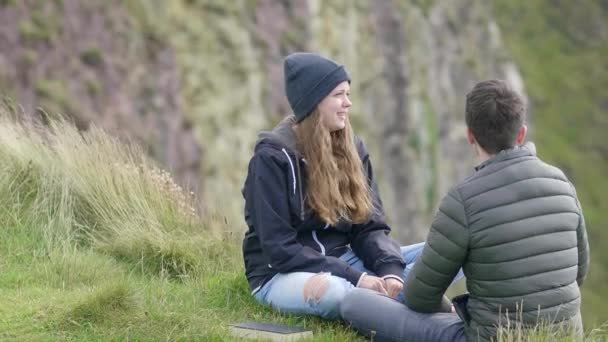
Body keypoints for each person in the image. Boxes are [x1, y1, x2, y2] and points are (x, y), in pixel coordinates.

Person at [341, 79, 590, 341]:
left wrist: (453, 311)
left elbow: (419, 297)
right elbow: (579, 272)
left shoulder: (463, 200)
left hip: (491, 337)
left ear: (470, 135)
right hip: (565, 334)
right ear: (521, 134)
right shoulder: (562, 184)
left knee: (355, 303)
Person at [241, 52, 425, 320]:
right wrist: (358, 277)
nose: (347, 103)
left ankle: (400, 291)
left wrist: (390, 271)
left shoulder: (353, 148)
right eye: (339, 95)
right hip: (281, 275)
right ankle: (408, 299)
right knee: (336, 293)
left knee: (442, 253)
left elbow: (369, 227)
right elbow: (280, 250)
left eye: (348, 94)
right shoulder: (271, 160)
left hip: (345, 261)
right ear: (315, 103)